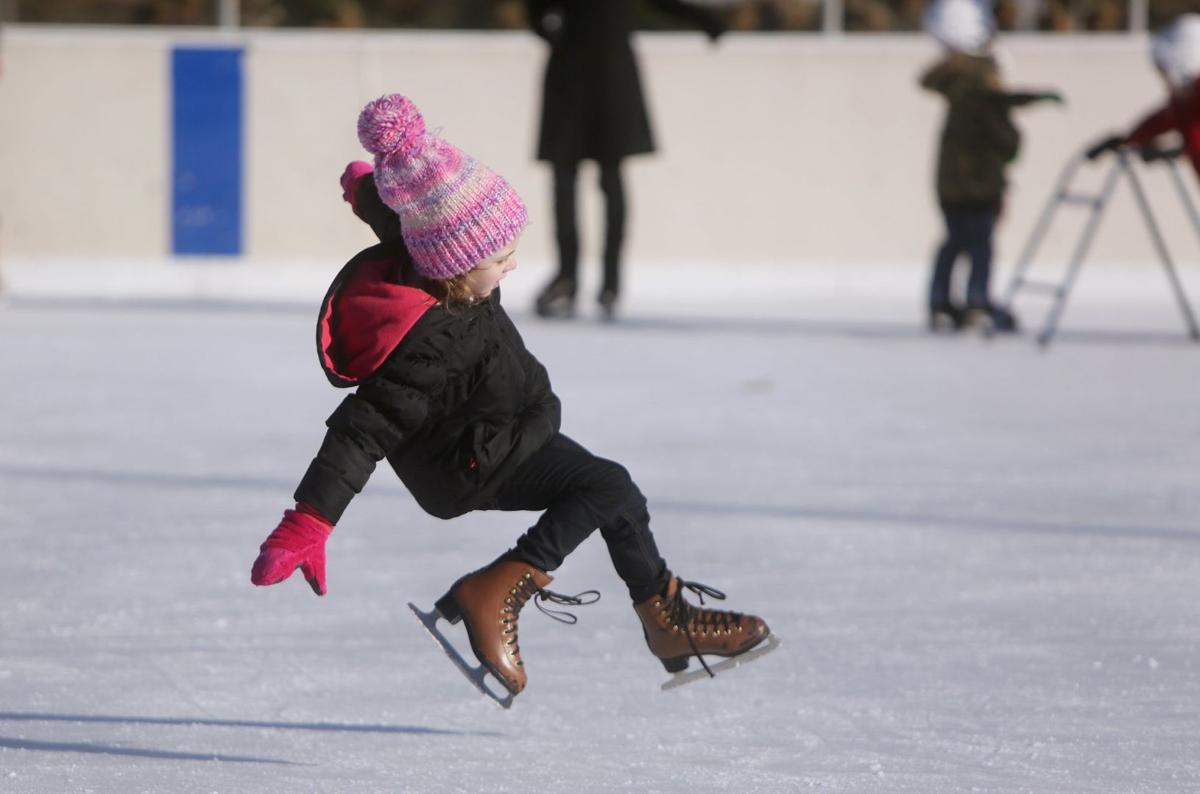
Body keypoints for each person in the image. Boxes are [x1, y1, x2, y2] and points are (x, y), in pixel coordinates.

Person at [250, 94, 771, 698]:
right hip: (469, 463)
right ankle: (495, 590)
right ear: (455, 264)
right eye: (500, 258)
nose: (513, 265)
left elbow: (398, 218)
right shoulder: (430, 342)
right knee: (605, 487)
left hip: (507, 428)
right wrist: (309, 521)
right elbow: (363, 429)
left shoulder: (439, 256)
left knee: (617, 494)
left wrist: (368, 187)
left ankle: (668, 622)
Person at [525, 0, 725, 320]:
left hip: (595, 70)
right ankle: (581, 279)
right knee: (582, 179)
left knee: (594, 178)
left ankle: (596, 280)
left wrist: (706, 20)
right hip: (589, 70)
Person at [919, 0, 1063, 332]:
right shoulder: (981, 77)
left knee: (955, 239)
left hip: (952, 180)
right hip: (979, 179)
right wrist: (1011, 146)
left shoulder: (958, 83)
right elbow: (997, 121)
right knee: (979, 243)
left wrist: (1030, 99)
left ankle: (941, 300)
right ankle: (977, 302)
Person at [1086, 15, 1200, 178]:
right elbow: (1159, 122)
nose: (1166, 82)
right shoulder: (1184, 105)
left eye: (1165, 72)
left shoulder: (1190, 100)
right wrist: (1128, 140)